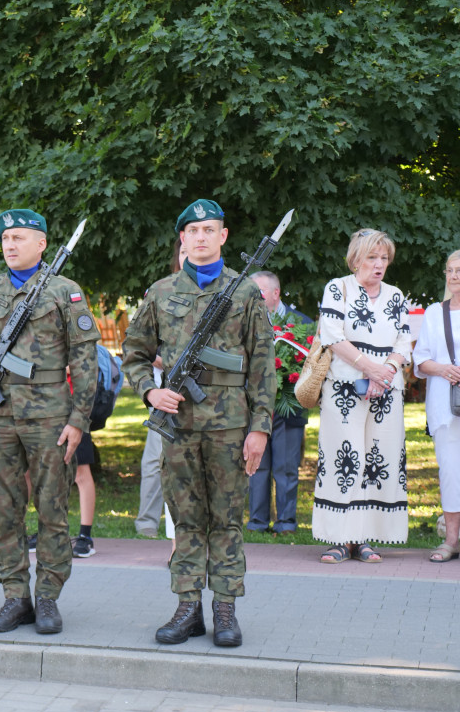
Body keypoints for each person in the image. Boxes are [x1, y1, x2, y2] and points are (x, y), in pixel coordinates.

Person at [122, 199, 275, 648]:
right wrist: (150, 392)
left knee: (226, 521)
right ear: (183, 239)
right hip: (180, 425)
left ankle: (224, 608)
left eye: (210, 229)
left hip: (230, 427)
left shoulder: (245, 293)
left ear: (223, 236)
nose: (202, 237)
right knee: (186, 520)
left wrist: (260, 427)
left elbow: (263, 366)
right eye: (194, 231)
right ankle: (187, 606)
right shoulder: (161, 292)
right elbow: (132, 354)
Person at [0, 209, 100, 634]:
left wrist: (78, 419)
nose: (10, 245)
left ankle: (47, 597)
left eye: (19, 237)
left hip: (50, 414)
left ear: (42, 244)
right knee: (5, 510)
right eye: (6, 238)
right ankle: (15, 596)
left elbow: (86, 363)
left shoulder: (65, 292)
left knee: (51, 509)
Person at [312, 229, 411, 564]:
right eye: (372, 257)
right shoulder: (337, 288)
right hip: (345, 387)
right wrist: (369, 368)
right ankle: (340, 539)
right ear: (355, 259)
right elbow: (332, 336)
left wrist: (386, 372)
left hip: (386, 390)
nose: (379, 264)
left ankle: (365, 538)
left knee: (377, 459)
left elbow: (403, 342)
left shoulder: (396, 295)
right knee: (346, 457)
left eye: (384, 258)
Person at [246, 270, 314, 535]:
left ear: (276, 293)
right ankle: (257, 522)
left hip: (289, 406)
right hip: (255, 407)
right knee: (257, 465)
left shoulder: (302, 324)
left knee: (286, 468)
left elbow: (312, 364)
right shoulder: (244, 322)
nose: (254, 298)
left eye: (259, 293)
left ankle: (285, 523)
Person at [136, 241, 186, 539]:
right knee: (153, 462)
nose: (187, 256)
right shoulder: (158, 294)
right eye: (182, 252)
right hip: (162, 396)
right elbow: (141, 344)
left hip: (205, 401)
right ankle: (146, 523)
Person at [415, 251, 460, 562]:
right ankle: (452, 540)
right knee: (450, 471)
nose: (454, 275)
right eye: (450, 270)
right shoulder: (434, 312)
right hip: (445, 406)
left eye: (459, 270)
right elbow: (420, 359)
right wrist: (444, 369)